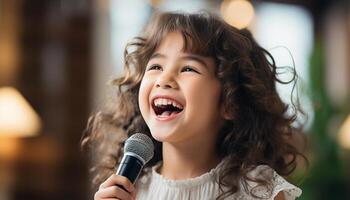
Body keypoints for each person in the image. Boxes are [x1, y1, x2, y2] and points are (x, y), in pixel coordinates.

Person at [81, 11, 307, 200]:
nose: (164, 79)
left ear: (230, 102)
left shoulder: (259, 190)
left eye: (188, 68)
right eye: (156, 66)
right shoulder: (131, 189)